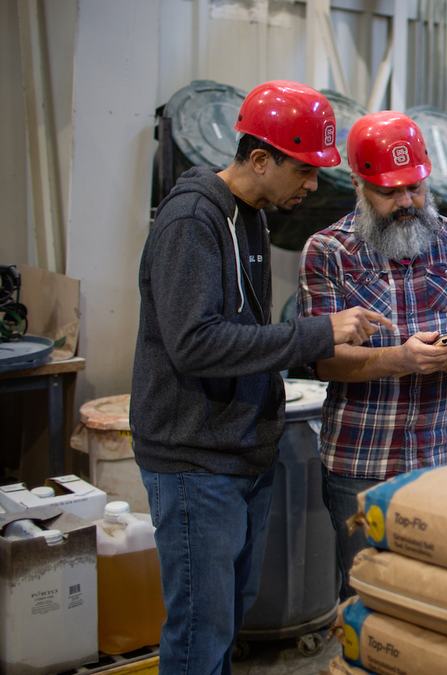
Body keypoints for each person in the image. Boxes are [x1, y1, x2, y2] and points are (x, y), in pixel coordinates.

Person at [131, 80, 392, 674]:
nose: (311, 185)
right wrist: (318, 333)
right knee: (201, 631)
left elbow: (242, 334)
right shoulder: (192, 222)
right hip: (195, 460)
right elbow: (196, 344)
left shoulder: (249, 217)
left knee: (226, 621)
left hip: (240, 452)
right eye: (303, 171)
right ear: (258, 159)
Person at [298, 111, 447, 599]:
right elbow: (324, 362)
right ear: (358, 184)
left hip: (443, 453)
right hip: (361, 459)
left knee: (436, 598)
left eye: (415, 188)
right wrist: (402, 360)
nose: (406, 202)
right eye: (389, 192)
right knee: (367, 594)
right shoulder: (328, 251)